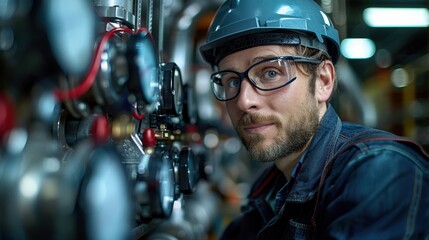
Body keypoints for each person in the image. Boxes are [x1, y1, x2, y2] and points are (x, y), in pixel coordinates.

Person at [199, 0, 429, 239]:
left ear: (323, 81)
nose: (244, 101)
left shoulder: (382, 171)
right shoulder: (265, 201)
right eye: (232, 81)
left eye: (270, 73)